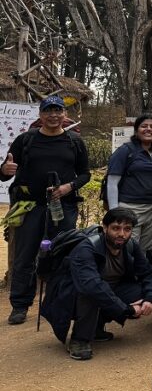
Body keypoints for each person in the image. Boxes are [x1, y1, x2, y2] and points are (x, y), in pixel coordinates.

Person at [1, 94, 90, 325]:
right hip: (31, 206)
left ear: (65, 115)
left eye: (58, 110)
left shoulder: (74, 142)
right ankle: (20, 305)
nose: (53, 115)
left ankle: (58, 300)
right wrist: (5, 169)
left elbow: (85, 174)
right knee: (25, 256)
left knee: (62, 254)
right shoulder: (25, 140)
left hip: (63, 206)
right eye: (48, 111)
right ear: (40, 115)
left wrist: (69, 187)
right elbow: (4, 172)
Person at [40, 208, 152, 361]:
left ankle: (96, 328)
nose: (122, 234)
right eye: (116, 228)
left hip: (108, 289)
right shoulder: (86, 248)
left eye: (127, 229)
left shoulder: (130, 246)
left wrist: (150, 298)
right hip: (71, 296)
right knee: (92, 294)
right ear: (105, 227)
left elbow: (147, 273)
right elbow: (92, 285)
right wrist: (127, 310)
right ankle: (79, 339)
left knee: (142, 290)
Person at [105, 113, 152, 254]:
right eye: (144, 126)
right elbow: (112, 183)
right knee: (127, 247)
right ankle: (123, 275)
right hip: (129, 207)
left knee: (147, 249)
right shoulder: (125, 151)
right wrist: (115, 212)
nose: (148, 129)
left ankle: (141, 275)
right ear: (136, 130)